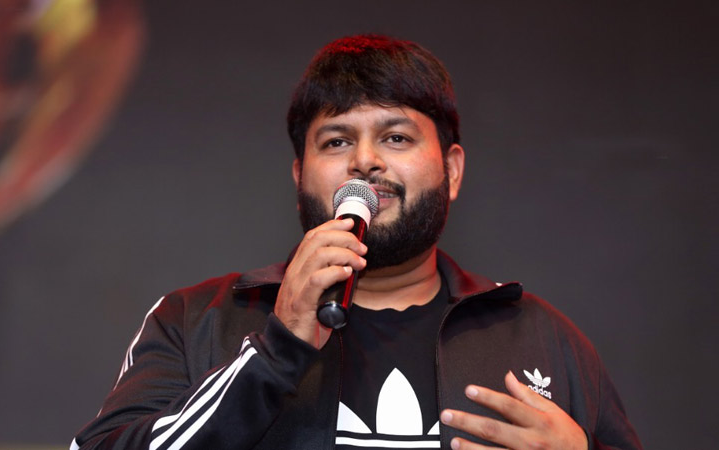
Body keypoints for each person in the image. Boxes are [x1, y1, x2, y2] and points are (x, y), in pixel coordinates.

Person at [71, 34, 642, 450]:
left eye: (396, 137)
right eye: (337, 141)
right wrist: (274, 352)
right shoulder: (198, 320)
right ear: (300, 176)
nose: (365, 161)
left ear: (452, 171)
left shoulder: (542, 336)